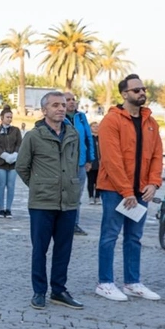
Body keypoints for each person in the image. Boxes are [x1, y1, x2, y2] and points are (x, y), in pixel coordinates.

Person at [95, 74, 163, 302]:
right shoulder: (111, 121)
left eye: (143, 89)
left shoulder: (151, 123)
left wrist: (154, 183)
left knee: (134, 238)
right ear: (124, 94)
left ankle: (132, 282)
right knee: (110, 236)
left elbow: (156, 156)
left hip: (141, 191)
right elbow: (111, 161)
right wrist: (126, 192)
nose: (142, 93)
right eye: (136, 90)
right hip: (115, 191)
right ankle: (105, 283)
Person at [16, 92, 84, 310]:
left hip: (68, 202)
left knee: (64, 249)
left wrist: (70, 185)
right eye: (55, 105)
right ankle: (39, 291)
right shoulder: (34, 136)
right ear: (44, 110)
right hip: (42, 203)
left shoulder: (73, 133)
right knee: (40, 249)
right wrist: (39, 186)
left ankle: (59, 290)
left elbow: (74, 164)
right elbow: (22, 167)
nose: (61, 108)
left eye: (63, 105)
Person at [65, 91, 96, 235]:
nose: (71, 102)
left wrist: (90, 159)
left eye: (73, 99)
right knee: (64, 193)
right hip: (64, 163)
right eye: (68, 99)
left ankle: (74, 223)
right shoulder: (59, 118)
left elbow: (89, 138)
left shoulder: (81, 117)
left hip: (81, 163)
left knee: (76, 195)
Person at [0, 106, 22, 218]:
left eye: (11, 117)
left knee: (11, 185)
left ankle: (8, 208)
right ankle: (1, 209)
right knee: (1, 185)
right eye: (7, 117)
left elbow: (19, 144)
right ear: (2, 118)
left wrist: (15, 154)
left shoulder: (16, 130)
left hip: (13, 163)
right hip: (0, 163)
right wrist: (3, 155)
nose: (9, 119)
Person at [87, 121, 101, 204]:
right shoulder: (89, 138)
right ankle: (91, 197)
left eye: (97, 126)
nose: (96, 128)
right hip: (91, 162)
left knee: (99, 181)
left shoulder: (102, 137)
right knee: (90, 181)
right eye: (94, 126)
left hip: (100, 163)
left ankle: (98, 197)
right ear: (90, 128)